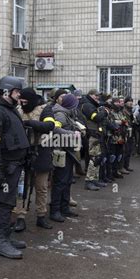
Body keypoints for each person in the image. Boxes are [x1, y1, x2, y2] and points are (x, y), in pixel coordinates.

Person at [0, 76, 30, 259]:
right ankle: (2, 243)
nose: (19, 95)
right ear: (6, 92)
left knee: (11, 201)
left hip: (15, 164)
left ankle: (7, 237)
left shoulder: (9, 109)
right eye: (17, 92)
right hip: (6, 166)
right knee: (5, 203)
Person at [14, 87, 56, 231]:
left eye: (26, 101)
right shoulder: (18, 109)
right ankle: (20, 217)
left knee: (41, 187)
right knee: (21, 188)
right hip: (22, 153)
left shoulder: (45, 109)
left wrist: (30, 123)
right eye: (21, 101)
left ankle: (41, 216)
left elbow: (49, 126)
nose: (23, 104)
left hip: (41, 152)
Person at [50, 93, 82, 222]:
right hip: (61, 152)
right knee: (60, 181)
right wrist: (73, 133)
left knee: (67, 180)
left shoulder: (66, 113)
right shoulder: (60, 114)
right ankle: (55, 210)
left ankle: (64, 208)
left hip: (68, 151)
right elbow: (56, 129)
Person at [80, 89, 108, 191]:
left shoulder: (92, 105)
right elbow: (96, 118)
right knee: (94, 158)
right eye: (96, 95)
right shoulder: (87, 105)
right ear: (90, 95)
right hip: (92, 135)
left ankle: (94, 179)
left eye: (98, 96)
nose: (98, 97)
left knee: (98, 158)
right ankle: (89, 181)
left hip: (96, 134)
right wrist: (104, 112)